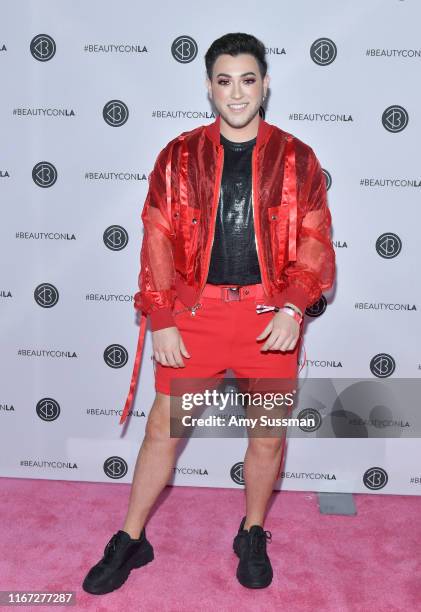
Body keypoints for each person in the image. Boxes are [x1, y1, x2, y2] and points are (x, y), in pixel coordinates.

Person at [82, 32, 335, 595]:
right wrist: (164, 316)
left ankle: (251, 531)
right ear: (209, 87)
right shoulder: (177, 155)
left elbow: (315, 240)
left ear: (265, 85)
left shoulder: (298, 157)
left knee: (268, 438)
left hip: (270, 317)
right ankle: (131, 538)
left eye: (248, 79)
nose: (237, 92)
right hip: (195, 315)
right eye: (224, 80)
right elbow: (157, 237)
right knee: (161, 433)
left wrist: (295, 307)